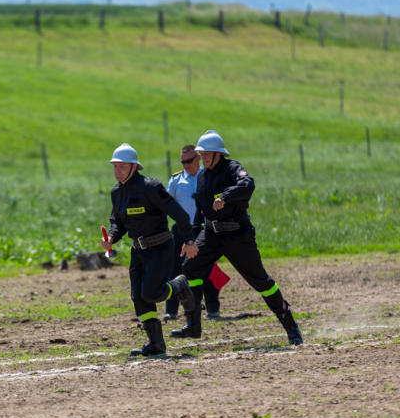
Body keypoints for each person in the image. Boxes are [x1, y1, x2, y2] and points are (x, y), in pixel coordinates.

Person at [171, 131, 303, 346]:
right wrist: (191, 239)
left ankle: (290, 325)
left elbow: (248, 184)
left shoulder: (232, 168)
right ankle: (193, 324)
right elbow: (199, 211)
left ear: (218, 153)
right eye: (200, 154)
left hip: (237, 234)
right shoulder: (202, 176)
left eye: (206, 154)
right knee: (190, 267)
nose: (202, 158)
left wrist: (225, 196)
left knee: (261, 281)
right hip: (211, 233)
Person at [102, 143, 200, 357]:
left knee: (151, 293)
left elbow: (180, 215)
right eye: (114, 166)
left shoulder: (150, 187)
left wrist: (189, 240)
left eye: (121, 166)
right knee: (138, 296)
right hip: (138, 251)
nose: (116, 171)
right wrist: (111, 237)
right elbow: (117, 222)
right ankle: (156, 343)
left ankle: (179, 286)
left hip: (160, 247)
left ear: (134, 167)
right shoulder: (116, 192)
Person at [165, 145, 222, 320]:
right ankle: (171, 310)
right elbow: (166, 205)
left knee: (208, 268)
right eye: (183, 162)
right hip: (182, 231)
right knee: (175, 269)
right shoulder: (175, 180)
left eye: (189, 161)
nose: (186, 165)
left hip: (204, 230)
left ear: (198, 158)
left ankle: (212, 308)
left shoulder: (208, 177)